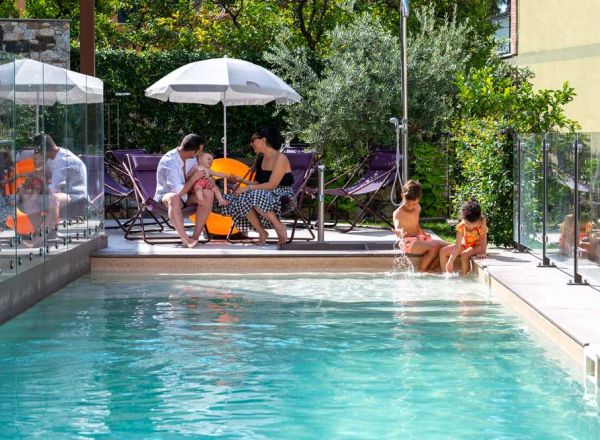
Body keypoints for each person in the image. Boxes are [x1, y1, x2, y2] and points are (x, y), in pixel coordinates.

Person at [223, 126, 294, 245]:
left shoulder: (280, 158)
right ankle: (262, 232)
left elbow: (272, 185)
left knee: (254, 194)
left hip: (282, 194)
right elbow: (259, 183)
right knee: (240, 197)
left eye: (253, 140)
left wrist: (247, 188)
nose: (251, 144)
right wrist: (242, 181)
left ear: (263, 140)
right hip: (264, 192)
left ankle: (278, 226)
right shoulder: (261, 159)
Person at [154, 133, 213, 248]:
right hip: (166, 197)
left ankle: (195, 237)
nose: (200, 154)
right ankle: (185, 239)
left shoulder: (192, 159)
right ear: (192, 152)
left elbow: (197, 176)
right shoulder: (169, 161)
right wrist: (194, 178)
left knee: (208, 194)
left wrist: (208, 179)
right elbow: (178, 192)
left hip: (187, 195)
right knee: (174, 197)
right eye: (199, 151)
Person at [392, 180, 447, 271]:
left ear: (419, 200)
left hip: (418, 238)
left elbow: (416, 224)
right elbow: (397, 226)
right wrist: (398, 231)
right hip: (407, 242)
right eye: (407, 203)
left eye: (414, 204)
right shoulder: (398, 213)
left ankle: (430, 270)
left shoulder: (417, 208)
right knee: (434, 248)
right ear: (402, 196)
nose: (410, 206)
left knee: (448, 247)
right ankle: (421, 271)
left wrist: (423, 234)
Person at [35, 133, 87, 218]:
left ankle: (50, 225)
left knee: (51, 199)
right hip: (64, 193)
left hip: (77, 198)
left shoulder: (63, 161)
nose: (38, 155)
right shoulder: (53, 156)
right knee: (29, 194)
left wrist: (42, 179)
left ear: (45, 150)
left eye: (39, 152)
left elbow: (53, 190)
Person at [440, 198, 488, 276]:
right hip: (465, 244)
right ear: (463, 218)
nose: (471, 226)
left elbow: (483, 238)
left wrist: (483, 252)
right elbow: (457, 245)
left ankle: (464, 276)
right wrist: (451, 261)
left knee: (464, 254)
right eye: (468, 224)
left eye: (474, 224)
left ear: (479, 219)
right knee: (443, 251)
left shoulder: (482, 221)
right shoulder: (461, 226)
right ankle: (446, 275)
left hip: (478, 246)